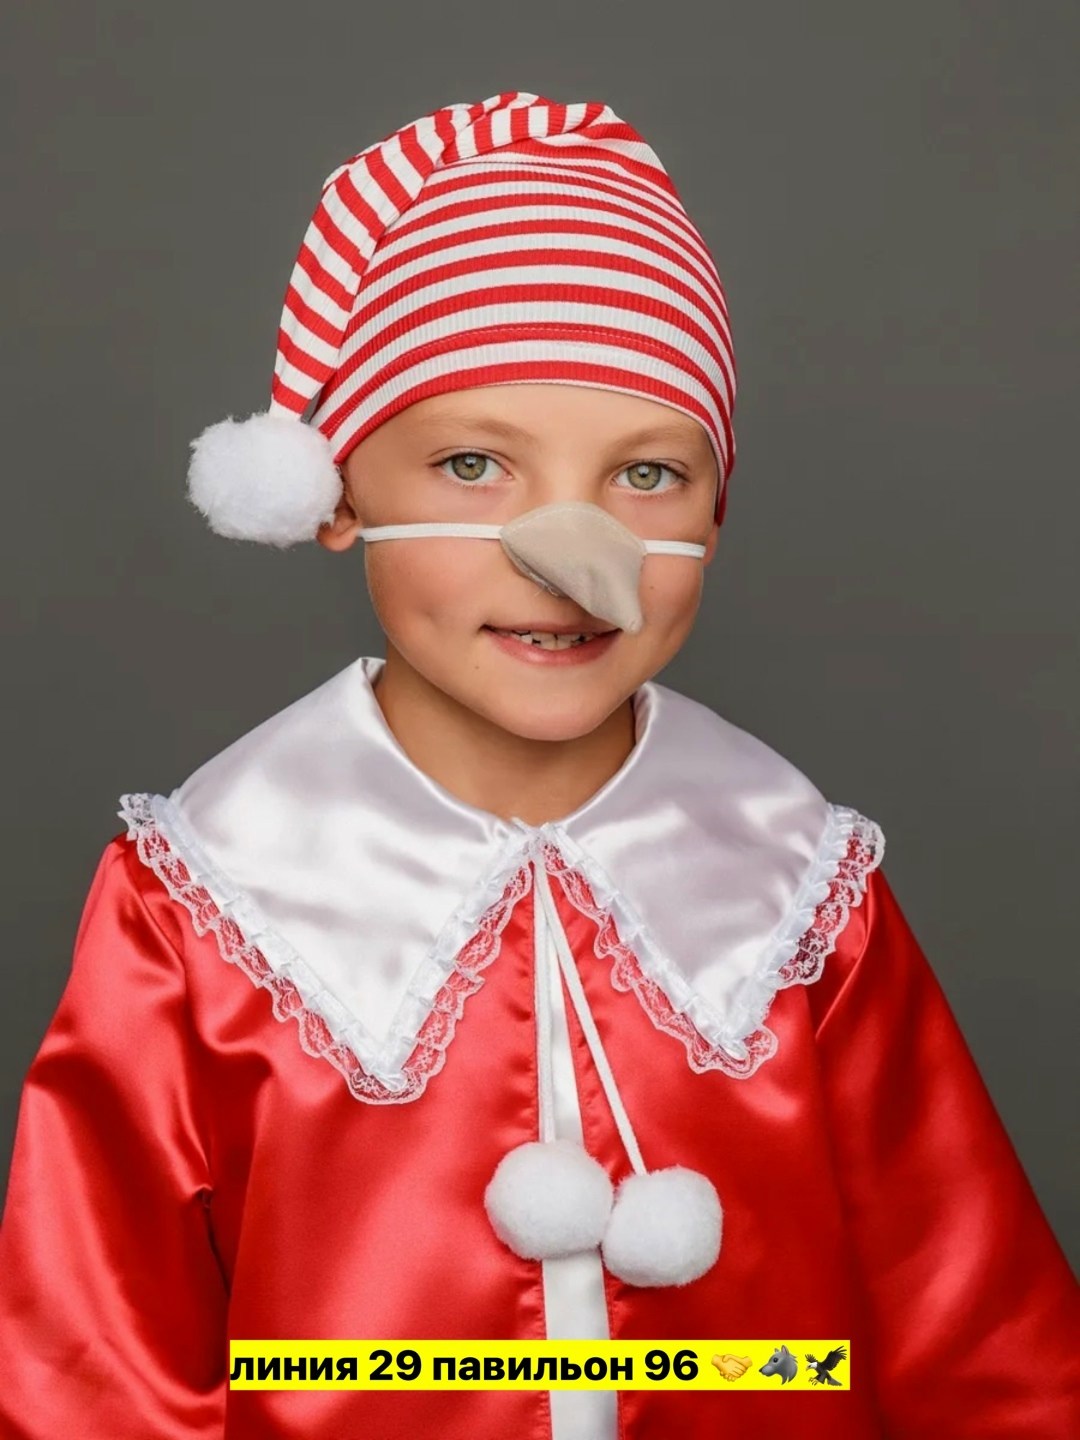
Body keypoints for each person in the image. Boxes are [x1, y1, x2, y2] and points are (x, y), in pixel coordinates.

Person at [0, 90, 1076, 1440]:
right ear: (336, 495)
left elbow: (974, 1336)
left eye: (648, 476)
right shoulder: (205, 900)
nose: (576, 560)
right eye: (473, 464)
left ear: (717, 512)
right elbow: (94, 1367)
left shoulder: (797, 888)